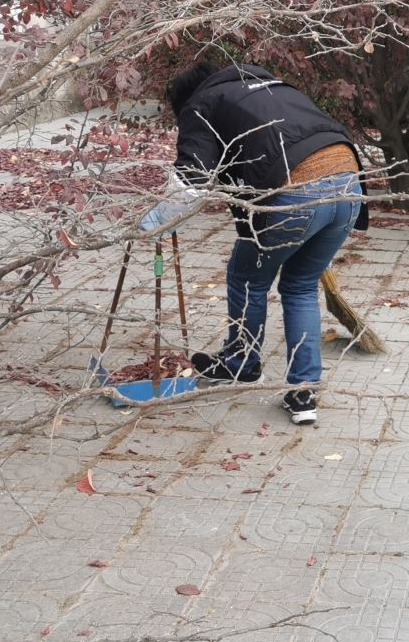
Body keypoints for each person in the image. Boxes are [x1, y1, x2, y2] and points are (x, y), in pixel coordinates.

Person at [142, 59, 369, 426]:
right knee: (300, 286)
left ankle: (242, 363)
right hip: (349, 184)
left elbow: (193, 177)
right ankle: (304, 392)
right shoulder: (272, 86)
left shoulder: (202, 104)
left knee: (246, 276)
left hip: (297, 192)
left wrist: (156, 222)